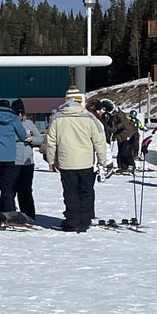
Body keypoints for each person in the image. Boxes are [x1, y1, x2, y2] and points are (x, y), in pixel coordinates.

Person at [42, 88, 107, 232]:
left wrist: (51, 161)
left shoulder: (57, 118)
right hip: (85, 162)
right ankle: (84, 221)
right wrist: (102, 160)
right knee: (86, 191)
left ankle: (72, 221)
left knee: (70, 192)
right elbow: (99, 141)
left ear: (66, 101)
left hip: (66, 162)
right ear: (80, 101)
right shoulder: (90, 118)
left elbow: (51, 142)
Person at [10, 100, 43, 219]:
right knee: (11, 189)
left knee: (26, 190)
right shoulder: (10, 123)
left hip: (28, 162)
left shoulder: (29, 123)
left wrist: (31, 139)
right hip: (14, 161)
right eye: (17, 113)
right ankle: (8, 212)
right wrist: (22, 136)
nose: (19, 115)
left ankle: (29, 215)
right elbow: (7, 138)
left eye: (21, 113)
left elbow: (40, 138)